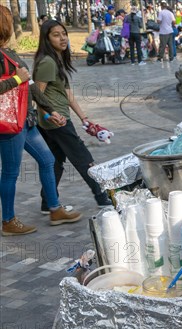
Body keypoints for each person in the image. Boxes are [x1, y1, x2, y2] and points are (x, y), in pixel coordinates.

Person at [0, 8, 82, 236]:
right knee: (10, 172)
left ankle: (55, 209)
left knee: (47, 159)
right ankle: (8, 221)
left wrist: (50, 110)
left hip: (25, 120)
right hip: (9, 124)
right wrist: (17, 78)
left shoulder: (8, 52)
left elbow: (32, 87)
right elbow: (21, 81)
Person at [32, 20, 113, 213]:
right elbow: (37, 94)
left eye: (63, 33)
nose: (62, 38)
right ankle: (102, 197)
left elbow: (67, 94)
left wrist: (84, 118)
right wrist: (48, 116)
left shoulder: (56, 59)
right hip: (56, 121)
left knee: (55, 162)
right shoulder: (47, 62)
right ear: (47, 38)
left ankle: (47, 202)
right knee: (83, 157)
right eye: (56, 35)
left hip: (54, 119)